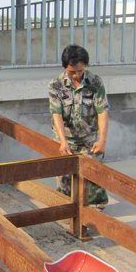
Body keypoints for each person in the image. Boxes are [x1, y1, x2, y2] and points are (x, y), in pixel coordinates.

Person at [47, 44, 110, 208]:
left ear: (86, 66)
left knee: (93, 177)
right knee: (64, 180)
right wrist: (62, 141)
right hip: (66, 140)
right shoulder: (56, 85)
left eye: (80, 71)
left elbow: (102, 111)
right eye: (71, 72)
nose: (76, 75)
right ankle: (67, 210)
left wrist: (102, 140)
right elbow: (56, 114)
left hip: (89, 140)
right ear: (65, 67)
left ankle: (96, 210)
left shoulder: (95, 82)